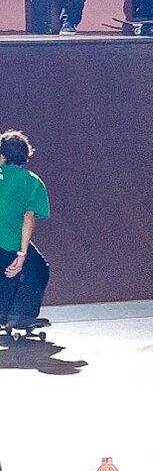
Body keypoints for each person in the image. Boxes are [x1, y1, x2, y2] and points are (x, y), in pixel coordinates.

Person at [0, 131, 51, 332]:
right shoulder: (31, 181)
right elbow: (28, 218)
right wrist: (22, 254)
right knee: (38, 269)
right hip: (10, 241)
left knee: (8, 273)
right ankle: (21, 315)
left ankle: (5, 313)